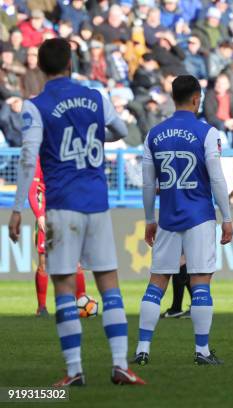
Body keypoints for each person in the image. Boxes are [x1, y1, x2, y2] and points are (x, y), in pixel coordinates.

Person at [8, 38, 145, 386]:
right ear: (71, 63)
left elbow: (27, 158)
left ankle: (74, 371)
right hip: (97, 203)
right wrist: (94, 135)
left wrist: (17, 208)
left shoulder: (34, 106)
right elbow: (121, 131)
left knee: (65, 288)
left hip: (60, 209)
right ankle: (119, 366)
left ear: (39, 68)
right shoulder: (96, 97)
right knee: (109, 286)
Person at [133, 75, 232, 366]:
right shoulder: (208, 133)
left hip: (168, 217)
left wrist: (150, 218)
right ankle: (201, 351)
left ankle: (142, 349)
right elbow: (217, 179)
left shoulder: (154, 134)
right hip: (200, 216)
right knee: (201, 281)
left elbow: (148, 185)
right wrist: (227, 217)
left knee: (157, 282)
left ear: (172, 97)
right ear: (196, 98)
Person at [29, 157, 88, 317]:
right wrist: (39, 216)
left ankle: (82, 303)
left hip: (67, 214)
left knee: (75, 261)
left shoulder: (67, 157)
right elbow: (32, 191)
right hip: (46, 216)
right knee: (43, 263)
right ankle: (41, 308)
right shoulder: (38, 159)